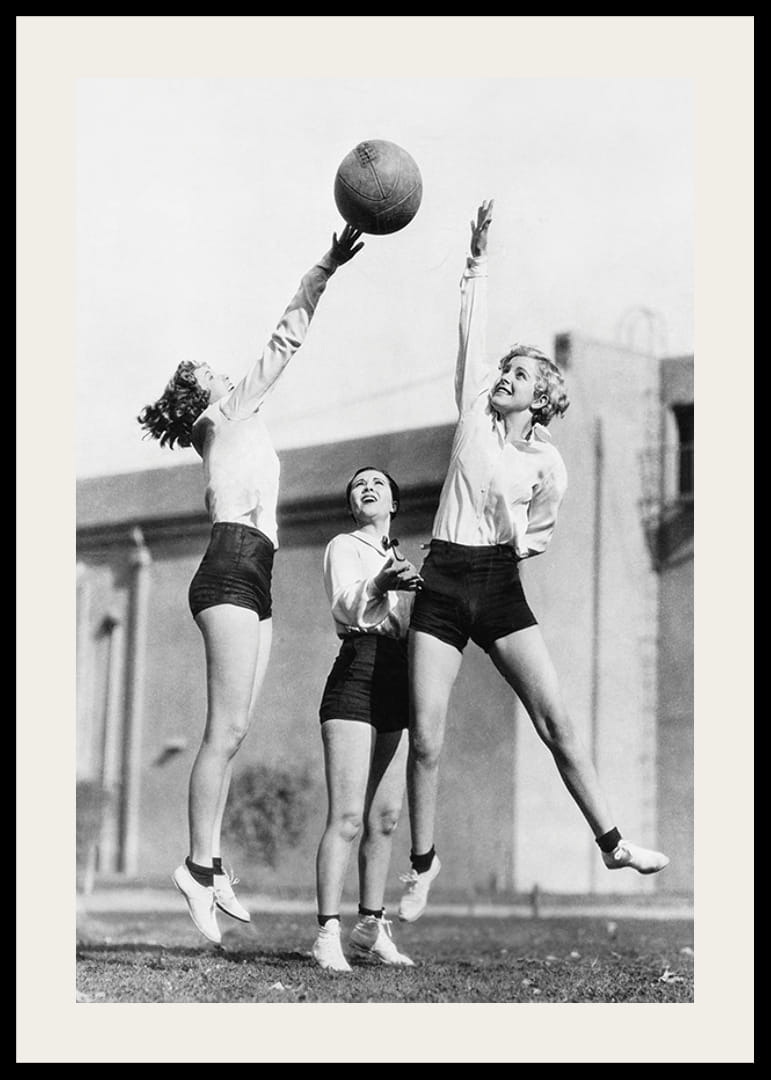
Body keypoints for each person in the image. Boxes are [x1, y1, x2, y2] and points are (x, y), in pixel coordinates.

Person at [398, 201, 669, 923]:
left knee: (558, 724)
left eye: (520, 372)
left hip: (498, 584)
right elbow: (471, 335)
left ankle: (612, 843)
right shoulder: (471, 420)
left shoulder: (548, 463)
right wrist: (476, 262)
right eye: (505, 370)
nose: (506, 377)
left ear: (544, 393)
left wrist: (513, 543)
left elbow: (538, 531)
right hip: (444, 578)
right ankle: (423, 864)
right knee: (426, 735)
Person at [137, 224, 364, 944]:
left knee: (234, 733)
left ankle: (212, 863)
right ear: (199, 394)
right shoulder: (225, 414)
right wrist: (325, 265)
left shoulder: (233, 421)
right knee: (224, 728)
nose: (225, 371)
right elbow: (284, 338)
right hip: (232, 564)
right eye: (210, 369)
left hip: (255, 569)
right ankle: (197, 869)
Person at [311, 467, 422, 971]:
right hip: (357, 672)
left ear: (394, 503)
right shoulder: (343, 546)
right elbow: (348, 605)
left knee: (385, 817)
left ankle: (372, 929)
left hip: (398, 676)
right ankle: (327, 933)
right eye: (358, 485)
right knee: (349, 817)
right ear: (354, 504)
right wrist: (382, 581)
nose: (368, 488)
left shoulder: (402, 559)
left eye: (378, 483)